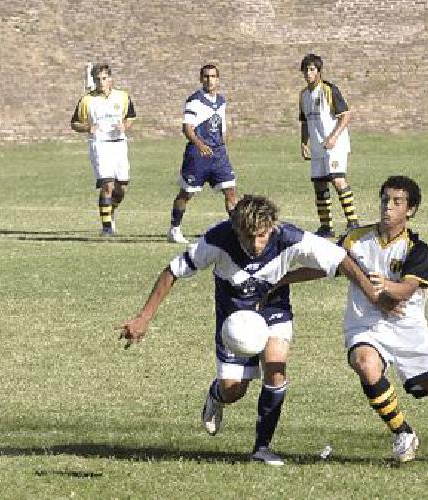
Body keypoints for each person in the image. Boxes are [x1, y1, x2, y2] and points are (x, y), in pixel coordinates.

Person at [117, 194, 392, 466]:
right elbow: (172, 271)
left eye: (262, 236)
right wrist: (144, 317)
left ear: (271, 228)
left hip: (274, 310)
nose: (256, 244)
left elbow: (341, 258)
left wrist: (372, 294)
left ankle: (262, 447)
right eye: (248, 237)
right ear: (236, 229)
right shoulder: (217, 239)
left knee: (276, 369)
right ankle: (217, 395)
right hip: (233, 320)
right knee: (234, 390)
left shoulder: (289, 237)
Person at [271, 176, 428, 463]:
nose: (387, 207)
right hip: (366, 326)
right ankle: (403, 433)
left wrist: (384, 287)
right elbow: (325, 265)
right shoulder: (356, 239)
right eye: (385, 200)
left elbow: (406, 290)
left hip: (410, 331)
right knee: (364, 364)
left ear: (410, 210)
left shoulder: (417, 249)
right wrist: (281, 279)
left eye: (397, 202)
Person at [166, 64, 238, 244]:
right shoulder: (194, 100)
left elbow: (222, 127)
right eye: (206, 76)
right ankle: (174, 229)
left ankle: (237, 230)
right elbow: (187, 128)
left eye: (213, 76)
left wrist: (224, 147)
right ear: (200, 79)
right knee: (187, 193)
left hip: (219, 155)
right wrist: (200, 144)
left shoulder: (221, 101)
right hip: (198, 157)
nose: (209, 80)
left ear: (218, 79)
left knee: (230, 192)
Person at [70, 63, 137, 236]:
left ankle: (110, 211)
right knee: (107, 185)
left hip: (119, 143)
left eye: (104, 78)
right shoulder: (87, 100)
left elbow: (130, 117)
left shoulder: (122, 97)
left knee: (122, 187)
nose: (101, 82)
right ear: (93, 80)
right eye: (98, 79)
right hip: (99, 145)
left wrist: (125, 125)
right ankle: (106, 228)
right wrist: (87, 128)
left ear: (110, 79)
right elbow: (74, 123)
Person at [298, 53, 361, 239]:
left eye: (312, 70)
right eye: (306, 70)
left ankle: (353, 222)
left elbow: (346, 115)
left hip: (335, 145)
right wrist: (303, 143)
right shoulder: (303, 95)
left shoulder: (329, 90)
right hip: (318, 147)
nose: (308, 73)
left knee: (338, 180)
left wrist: (333, 137)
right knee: (319, 184)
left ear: (319, 71)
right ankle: (326, 227)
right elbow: (304, 121)